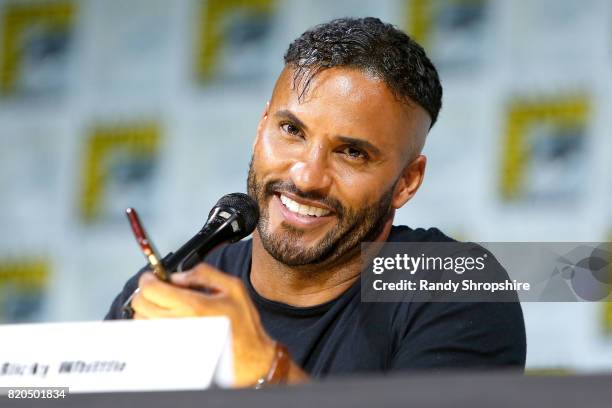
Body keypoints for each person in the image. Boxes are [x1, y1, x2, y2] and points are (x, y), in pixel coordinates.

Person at [105, 17, 526, 387]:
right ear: (260, 128)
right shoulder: (177, 288)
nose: (306, 176)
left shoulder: (455, 287)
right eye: (291, 130)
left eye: (352, 153)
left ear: (407, 181)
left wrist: (266, 370)